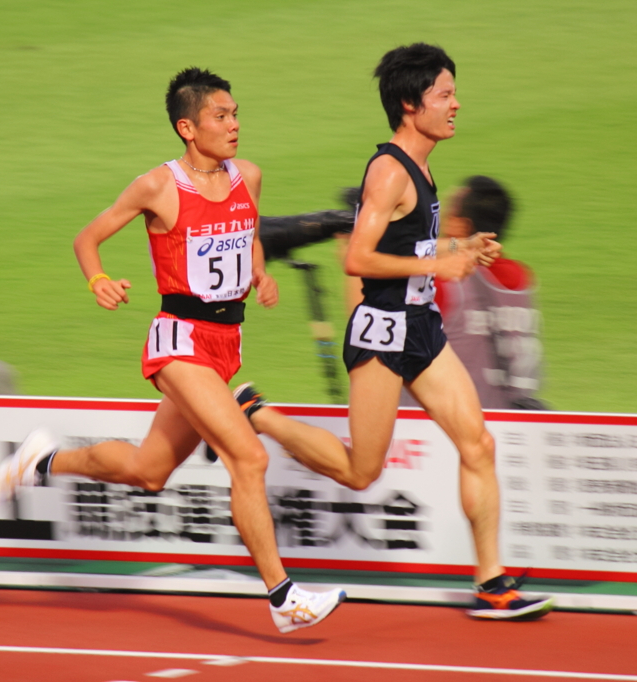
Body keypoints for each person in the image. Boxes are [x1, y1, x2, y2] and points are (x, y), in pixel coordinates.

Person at [0, 67, 345, 634]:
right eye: (220, 116)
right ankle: (283, 598)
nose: (234, 125)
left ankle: (41, 461)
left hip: (226, 342)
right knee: (248, 459)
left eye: (235, 114)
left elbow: (248, 229)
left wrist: (258, 273)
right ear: (188, 126)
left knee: (148, 471)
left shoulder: (247, 176)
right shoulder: (158, 186)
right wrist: (97, 279)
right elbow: (88, 237)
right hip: (179, 342)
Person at [236, 44, 553, 620]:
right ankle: (256, 413)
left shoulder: (424, 164)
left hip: (421, 327)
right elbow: (359, 258)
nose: (456, 104)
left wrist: (464, 247)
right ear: (411, 104)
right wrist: (439, 265)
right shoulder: (387, 172)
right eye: (445, 95)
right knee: (362, 471)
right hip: (383, 331)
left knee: (478, 443)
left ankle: (492, 583)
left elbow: (410, 245)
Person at [435, 176, 546, 410]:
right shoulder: (522, 279)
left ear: (460, 225)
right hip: (509, 419)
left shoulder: (443, 282)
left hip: (446, 424)